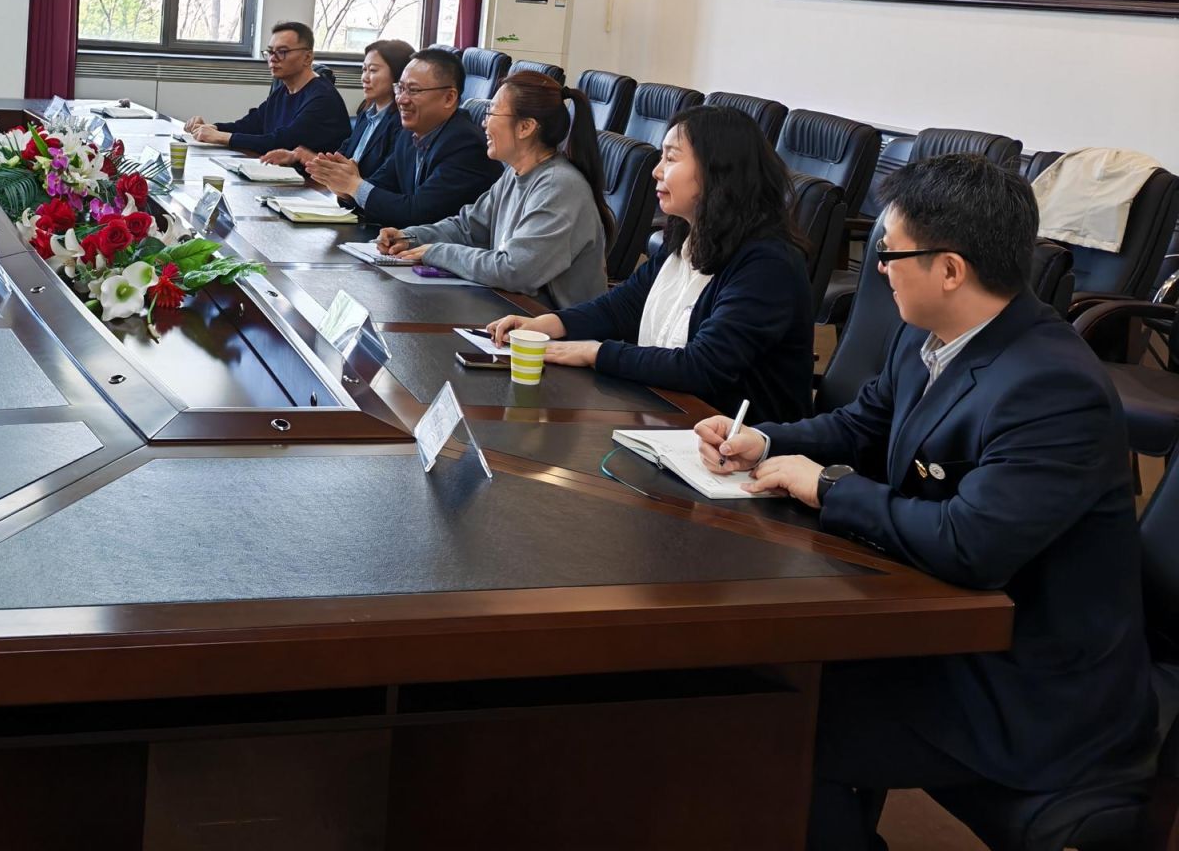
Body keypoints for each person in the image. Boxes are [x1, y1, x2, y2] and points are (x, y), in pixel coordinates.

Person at [696, 154, 1155, 851]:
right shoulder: (926, 334)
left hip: (1028, 684)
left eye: (890, 253)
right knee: (754, 683)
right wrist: (762, 440)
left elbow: (970, 545)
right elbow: (860, 424)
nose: (879, 268)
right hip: (945, 631)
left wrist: (828, 486)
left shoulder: (1052, 387)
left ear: (949, 269)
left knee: (773, 725)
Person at [489, 105, 814, 424]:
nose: (657, 171)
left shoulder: (769, 264)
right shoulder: (689, 235)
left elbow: (702, 367)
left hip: (738, 441)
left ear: (718, 170)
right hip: (667, 415)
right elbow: (623, 307)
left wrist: (594, 352)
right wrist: (548, 324)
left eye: (671, 158)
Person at [376, 68, 611, 307]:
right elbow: (468, 227)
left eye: (492, 113)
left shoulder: (558, 187)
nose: (484, 123)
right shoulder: (515, 173)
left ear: (525, 127)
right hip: (512, 311)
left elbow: (514, 270)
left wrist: (435, 252)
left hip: (552, 324)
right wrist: (411, 237)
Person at [310, 47, 498, 229]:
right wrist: (346, 190)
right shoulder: (410, 134)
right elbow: (379, 186)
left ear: (449, 98)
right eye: (400, 88)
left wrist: (355, 186)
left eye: (413, 90)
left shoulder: (465, 145)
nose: (401, 99)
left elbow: (418, 213)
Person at [184, 21, 348, 154]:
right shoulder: (283, 91)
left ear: (307, 57)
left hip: (315, 182)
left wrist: (221, 137)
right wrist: (212, 128)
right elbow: (250, 125)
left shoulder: (323, 98)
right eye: (270, 52)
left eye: (282, 52)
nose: (272, 59)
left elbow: (282, 142)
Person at [262, 38, 410, 177]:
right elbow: (340, 161)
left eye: (373, 70)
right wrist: (298, 156)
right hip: (342, 192)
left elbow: (383, 181)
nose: (364, 78)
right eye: (364, 70)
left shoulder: (402, 124)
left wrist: (350, 181)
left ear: (399, 75)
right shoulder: (366, 114)